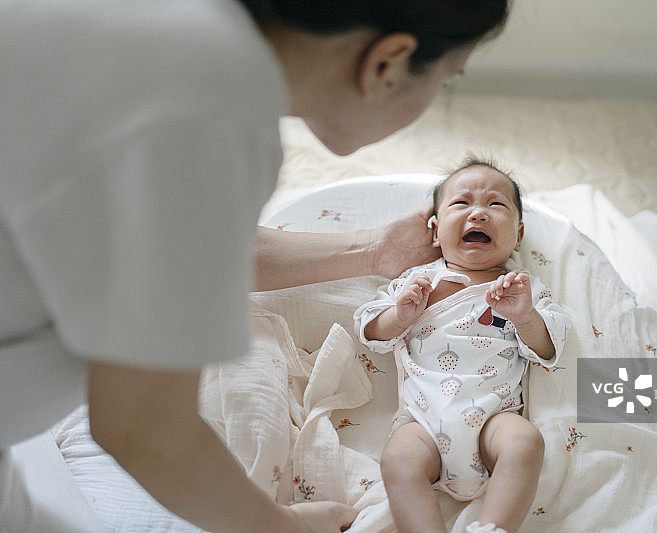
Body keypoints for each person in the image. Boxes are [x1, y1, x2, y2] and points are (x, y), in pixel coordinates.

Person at [0, 2, 511, 532]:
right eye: (445, 82)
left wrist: (374, 250)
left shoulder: (171, 35)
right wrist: (287, 527)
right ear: (388, 64)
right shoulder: (211, 121)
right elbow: (144, 427)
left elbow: (182, 245)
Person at [354, 159, 572, 533]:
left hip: (494, 418)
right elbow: (370, 328)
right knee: (399, 460)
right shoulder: (419, 280)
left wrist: (525, 317)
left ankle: (492, 527)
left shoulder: (523, 288)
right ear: (435, 232)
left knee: (525, 442)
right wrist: (400, 315)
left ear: (518, 235)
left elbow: (550, 346)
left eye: (496, 204)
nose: (478, 213)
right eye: (461, 203)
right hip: (423, 420)